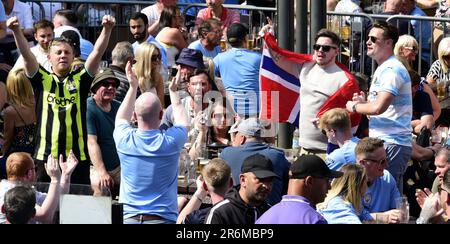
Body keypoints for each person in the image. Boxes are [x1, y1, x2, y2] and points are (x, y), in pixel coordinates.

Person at [7, 14, 116, 184]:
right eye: (58, 52)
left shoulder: (81, 78)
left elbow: (97, 52)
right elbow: (27, 54)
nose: (63, 55)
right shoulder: (42, 78)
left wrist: (107, 29)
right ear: (49, 57)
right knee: (48, 204)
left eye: (67, 52)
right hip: (46, 156)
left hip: (76, 157)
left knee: (75, 206)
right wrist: (15, 31)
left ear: (74, 56)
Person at [113, 59, 188, 224]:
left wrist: (133, 87)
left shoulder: (124, 139)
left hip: (129, 219)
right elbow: (183, 122)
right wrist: (173, 91)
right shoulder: (170, 142)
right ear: (162, 115)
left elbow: (120, 118)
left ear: (134, 116)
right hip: (162, 220)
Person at [346, 21, 412, 193]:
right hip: (387, 141)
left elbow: (379, 108)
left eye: (374, 39)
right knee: (382, 193)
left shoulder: (392, 70)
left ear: (389, 43)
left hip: (392, 142)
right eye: (368, 38)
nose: (368, 42)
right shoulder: (385, 68)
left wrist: (354, 107)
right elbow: (377, 109)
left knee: (386, 194)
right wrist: (364, 104)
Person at [220, 118, 290, 205]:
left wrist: (234, 146)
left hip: (235, 208)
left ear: (242, 138)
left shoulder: (227, 153)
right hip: (271, 210)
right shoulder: (277, 155)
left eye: (236, 133)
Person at [256, 155, 343, 224]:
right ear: (309, 181)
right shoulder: (314, 220)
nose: (329, 186)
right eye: (326, 180)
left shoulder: (264, 217)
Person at [0, 151, 78, 224]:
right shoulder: (13, 194)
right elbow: (45, 216)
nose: (36, 172)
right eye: (35, 168)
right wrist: (54, 180)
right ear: (29, 173)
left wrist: (66, 175)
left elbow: (57, 203)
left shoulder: (24, 189)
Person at [204, 154, 279, 224]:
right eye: (260, 179)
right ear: (243, 180)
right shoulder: (220, 213)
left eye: (270, 180)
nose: (266, 186)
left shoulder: (271, 212)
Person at [213, 23, 261, 118]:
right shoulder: (258, 58)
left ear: (227, 40)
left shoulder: (219, 58)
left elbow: (209, 75)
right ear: (246, 38)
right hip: (255, 112)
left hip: (231, 112)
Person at [87, 68, 121, 199]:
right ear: (95, 88)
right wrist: (102, 171)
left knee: (139, 181)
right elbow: (91, 142)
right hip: (94, 166)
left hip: (118, 166)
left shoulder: (118, 107)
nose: (111, 87)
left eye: (114, 85)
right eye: (106, 84)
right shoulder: (89, 107)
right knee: (100, 185)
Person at [0, 69, 36, 179]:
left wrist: (2, 154)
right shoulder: (38, 102)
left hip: (18, 155)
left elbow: (7, 138)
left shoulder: (10, 111)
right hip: (36, 151)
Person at [177, 158, 233, 224]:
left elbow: (179, 222)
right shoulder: (242, 208)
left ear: (205, 186)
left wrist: (200, 192)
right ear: (231, 183)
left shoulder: (199, 218)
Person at [134, 42, 165, 107]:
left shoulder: (158, 77)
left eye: (158, 56)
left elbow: (161, 105)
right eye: (153, 57)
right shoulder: (132, 75)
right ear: (144, 58)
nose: (157, 60)